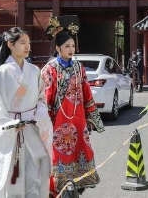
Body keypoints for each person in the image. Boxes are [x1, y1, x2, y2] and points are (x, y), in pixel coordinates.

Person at [0, 27, 53, 198]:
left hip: (31, 129)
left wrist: (39, 115)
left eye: (29, 43)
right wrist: (9, 125)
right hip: (10, 132)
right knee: (11, 178)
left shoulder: (35, 71)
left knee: (34, 175)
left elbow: (41, 99)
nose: (27, 47)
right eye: (23, 43)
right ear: (10, 44)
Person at [41, 18, 104, 197]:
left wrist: (90, 118)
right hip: (58, 121)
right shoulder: (49, 69)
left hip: (78, 119)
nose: (71, 49)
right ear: (58, 48)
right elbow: (45, 98)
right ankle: (56, 190)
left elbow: (86, 93)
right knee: (59, 155)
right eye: (67, 46)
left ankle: (76, 186)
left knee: (81, 152)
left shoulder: (79, 67)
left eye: (73, 46)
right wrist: (44, 124)